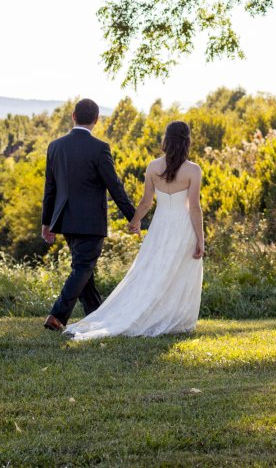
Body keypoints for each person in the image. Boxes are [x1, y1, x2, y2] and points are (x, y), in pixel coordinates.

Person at [64, 120, 204, 340]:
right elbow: (194, 207)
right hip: (182, 228)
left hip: (160, 226)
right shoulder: (193, 170)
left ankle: (151, 313)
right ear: (187, 141)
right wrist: (200, 239)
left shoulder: (153, 167)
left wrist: (135, 221)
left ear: (166, 140)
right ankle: (173, 317)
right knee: (177, 272)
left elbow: (145, 203)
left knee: (151, 270)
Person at [39, 98, 137, 332]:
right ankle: (57, 315)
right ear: (96, 120)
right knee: (82, 269)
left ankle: (97, 317)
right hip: (91, 222)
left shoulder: (55, 146)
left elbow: (49, 189)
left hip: (65, 220)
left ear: (73, 116)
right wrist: (133, 216)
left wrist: (46, 223)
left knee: (84, 271)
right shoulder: (99, 148)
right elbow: (114, 186)